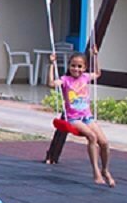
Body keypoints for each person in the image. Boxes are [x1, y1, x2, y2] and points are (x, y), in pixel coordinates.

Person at [48, 48, 115, 187]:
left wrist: (95, 56)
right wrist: (52, 64)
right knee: (92, 137)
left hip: (87, 117)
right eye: (73, 65)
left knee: (104, 143)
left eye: (79, 66)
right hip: (73, 119)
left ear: (84, 68)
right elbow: (51, 84)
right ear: (69, 66)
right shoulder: (65, 80)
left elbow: (97, 73)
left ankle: (105, 170)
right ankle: (96, 172)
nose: (76, 69)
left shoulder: (85, 77)